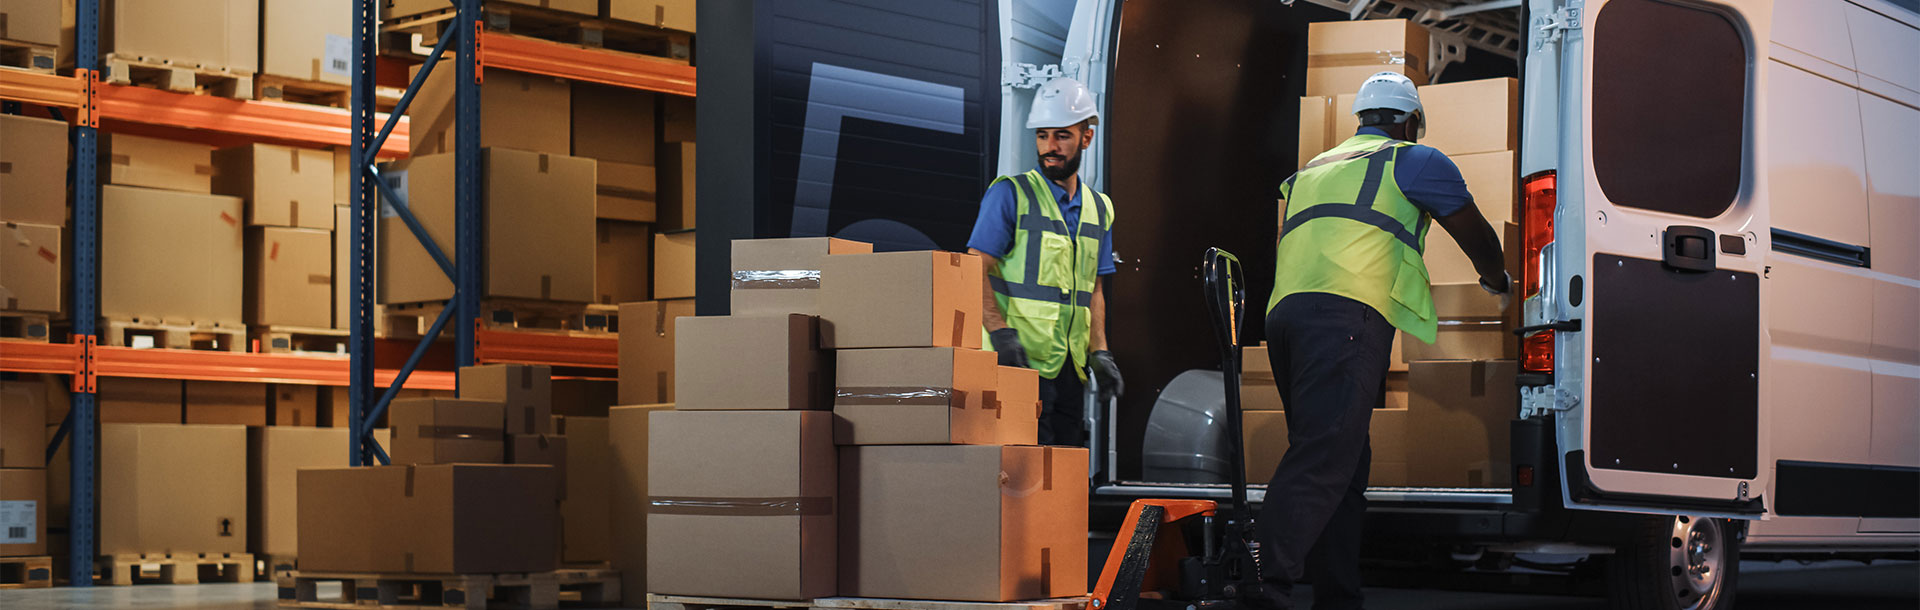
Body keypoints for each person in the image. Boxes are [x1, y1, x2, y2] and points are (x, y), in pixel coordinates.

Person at [1247, 71, 1510, 610]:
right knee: (1324, 456)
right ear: (1411, 122)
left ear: (1361, 119)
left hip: (1285, 316)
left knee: (1343, 463)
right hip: (1344, 315)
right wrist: (1498, 280)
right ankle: (1261, 586)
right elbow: (1477, 235)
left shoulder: (1313, 169)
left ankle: (1338, 597)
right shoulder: (1416, 161)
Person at [966, 76, 1123, 447]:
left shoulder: (1100, 209)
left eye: (1062, 136)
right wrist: (999, 333)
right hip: (1017, 362)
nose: (1049, 146)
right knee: (1025, 470)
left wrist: (1100, 351)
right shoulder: (1011, 194)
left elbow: (1094, 289)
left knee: (1064, 468)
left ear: (1086, 138)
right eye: (1042, 135)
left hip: (1069, 367)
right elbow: (973, 268)